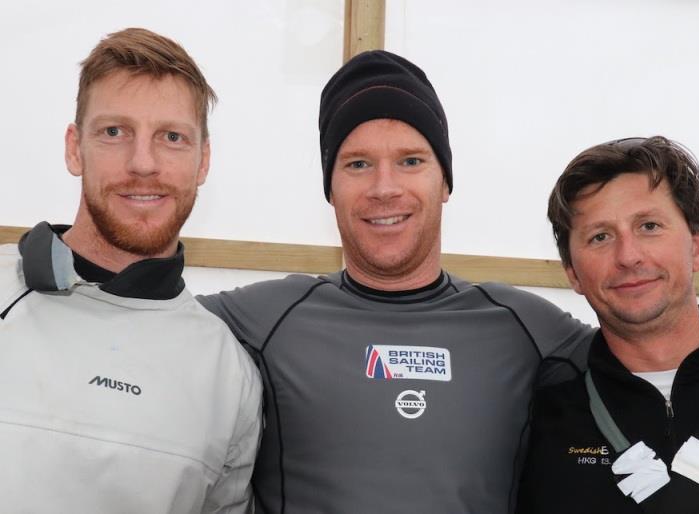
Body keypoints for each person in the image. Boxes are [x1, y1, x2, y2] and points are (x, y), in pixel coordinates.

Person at [198, 50, 593, 514]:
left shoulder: (525, 328)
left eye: (410, 161)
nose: (384, 188)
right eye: (358, 164)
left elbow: (653, 361)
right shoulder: (263, 319)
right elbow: (140, 321)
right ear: (331, 189)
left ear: (444, 181)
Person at [0, 28, 261, 514]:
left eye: (172, 137)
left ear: (203, 161)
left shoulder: (230, 377)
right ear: (75, 148)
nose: (143, 163)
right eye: (114, 132)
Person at [516, 136, 699, 513]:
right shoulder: (537, 419)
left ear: (698, 246)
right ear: (573, 273)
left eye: (649, 226)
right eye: (599, 237)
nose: (628, 256)